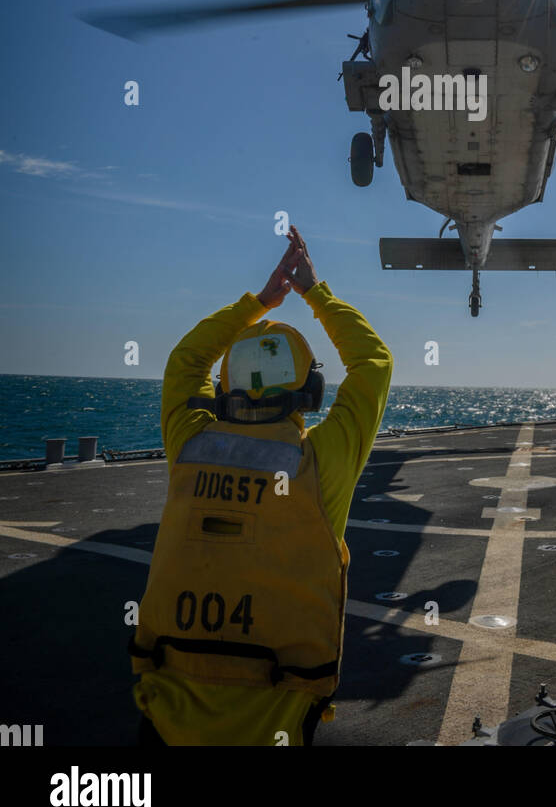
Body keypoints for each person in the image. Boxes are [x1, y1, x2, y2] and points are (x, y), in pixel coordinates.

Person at [131, 225, 393, 746]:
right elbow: (374, 362)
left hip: (164, 713)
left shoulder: (189, 443)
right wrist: (314, 292)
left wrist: (258, 302)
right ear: (311, 390)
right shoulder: (318, 463)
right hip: (277, 715)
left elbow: (186, 363)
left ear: (224, 385)